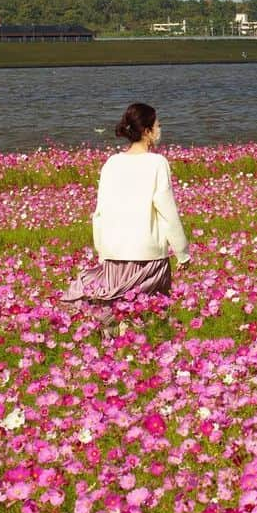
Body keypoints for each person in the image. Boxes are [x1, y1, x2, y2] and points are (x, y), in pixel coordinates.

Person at [62, 102, 190, 337]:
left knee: (117, 311)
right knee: (150, 316)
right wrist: (182, 252)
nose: (160, 129)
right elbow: (167, 211)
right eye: (157, 125)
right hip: (148, 256)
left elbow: (99, 212)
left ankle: (117, 354)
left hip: (115, 253)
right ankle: (144, 356)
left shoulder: (111, 163)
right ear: (148, 131)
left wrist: (103, 250)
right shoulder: (157, 163)